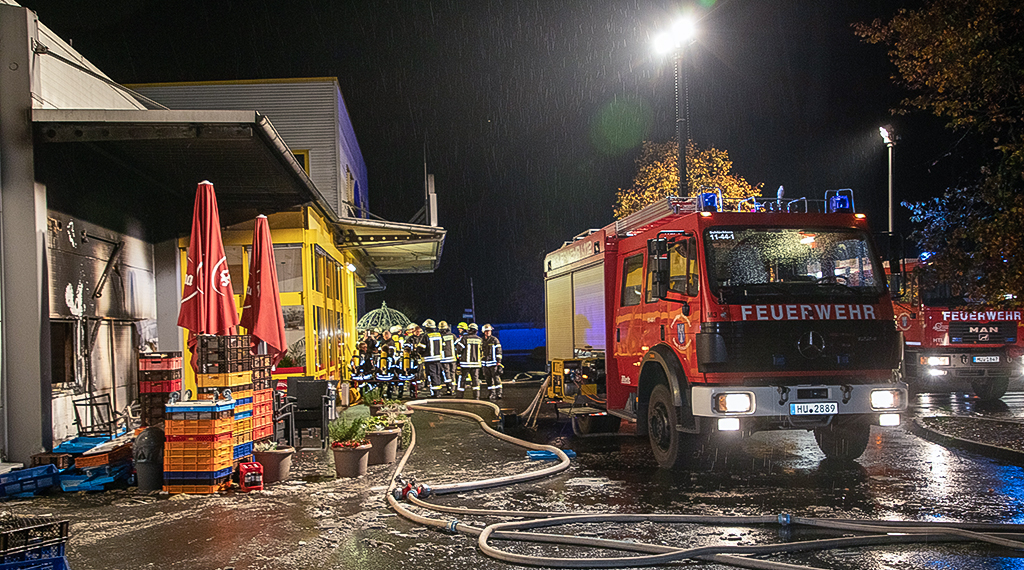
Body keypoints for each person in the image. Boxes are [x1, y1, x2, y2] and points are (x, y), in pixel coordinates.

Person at [417, 319, 444, 397]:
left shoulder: (426, 336)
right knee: (437, 374)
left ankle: (435, 393)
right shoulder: (439, 335)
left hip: (429, 359)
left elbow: (421, 348)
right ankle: (438, 391)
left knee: (432, 375)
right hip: (438, 358)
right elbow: (444, 346)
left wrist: (418, 352)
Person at [456, 322, 483, 399]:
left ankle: (460, 395)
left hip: (465, 364)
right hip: (476, 364)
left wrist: (460, 358)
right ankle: (476, 396)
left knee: (462, 379)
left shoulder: (465, 338)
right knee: (475, 380)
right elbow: (482, 351)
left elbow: (459, 349)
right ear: (476, 331)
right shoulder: (479, 339)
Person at [480, 324, 504, 399]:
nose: (488, 332)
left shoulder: (494, 340)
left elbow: (499, 351)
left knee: (496, 378)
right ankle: (492, 393)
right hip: (485, 363)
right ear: (484, 332)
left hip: (494, 363)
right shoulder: (481, 340)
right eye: (486, 331)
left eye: (489, 331)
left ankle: (499, 393)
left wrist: (498, 361)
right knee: (488, 379)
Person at [401, 322, 421, 398]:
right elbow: (406, 347)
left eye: (419, 331)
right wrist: (411, 351)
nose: (418, 333)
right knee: (412, 373)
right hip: (412, 358)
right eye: (417, 331)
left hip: (420, 357)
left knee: (419, 374)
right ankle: (412, 390)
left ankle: (417, 388)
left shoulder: (422, 338)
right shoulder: (410, 339)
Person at [438, 321, 457, 396]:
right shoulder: (452, 335)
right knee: (453, 373)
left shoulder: (439, 336)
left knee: (447, 374)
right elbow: (458, 345)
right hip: (452, 358)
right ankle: (453, 389)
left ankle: (449, 388)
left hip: (444, 359)